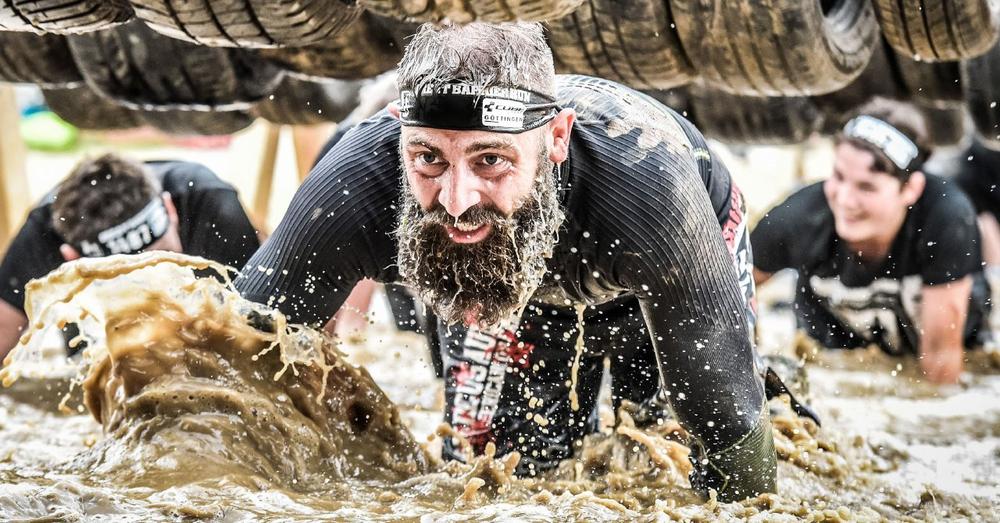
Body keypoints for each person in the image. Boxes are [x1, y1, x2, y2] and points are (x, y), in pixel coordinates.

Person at [236, 22, 776, 501]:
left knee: (669, 449)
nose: (456, 201)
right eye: (428, 158)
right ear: (399, 134)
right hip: (512, 286)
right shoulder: (355, 186)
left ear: (556, 138)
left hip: (654, 257)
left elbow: (733, 436)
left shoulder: (650, 188)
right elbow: (224, 355)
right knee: (497, 482)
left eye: (490, 160)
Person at [751, 100, 990, 384]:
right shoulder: (798, 219)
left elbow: (941, 363)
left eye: (866, 187)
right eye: (839, 176)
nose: (845, 200)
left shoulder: (946, 220)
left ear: (911, 189)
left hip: (945, 350)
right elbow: (722, 293)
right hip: (833, 364)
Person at [0, 153, 261, 360]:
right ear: (72, 261)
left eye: (163, 262)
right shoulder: (43, 237)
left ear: (171, 211)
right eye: (128, 282)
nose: (153, 291)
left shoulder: (208, 201)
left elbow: (267, 324)